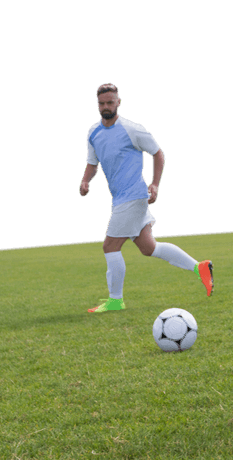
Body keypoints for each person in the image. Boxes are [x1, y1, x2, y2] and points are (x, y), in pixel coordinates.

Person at [80, 83, 214, 313]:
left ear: (118, 102)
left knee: (110, 246)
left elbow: (158, 153)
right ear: (97, 104)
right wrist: (85, 180)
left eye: (110, 102)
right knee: (148, 248)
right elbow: (92, 163)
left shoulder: (132, 129)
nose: (106, 107)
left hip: (133, 197)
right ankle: (199, 267)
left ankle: (115, 300)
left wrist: (155, 184)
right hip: (121, 199)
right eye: (101, 103)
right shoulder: (93, 133)